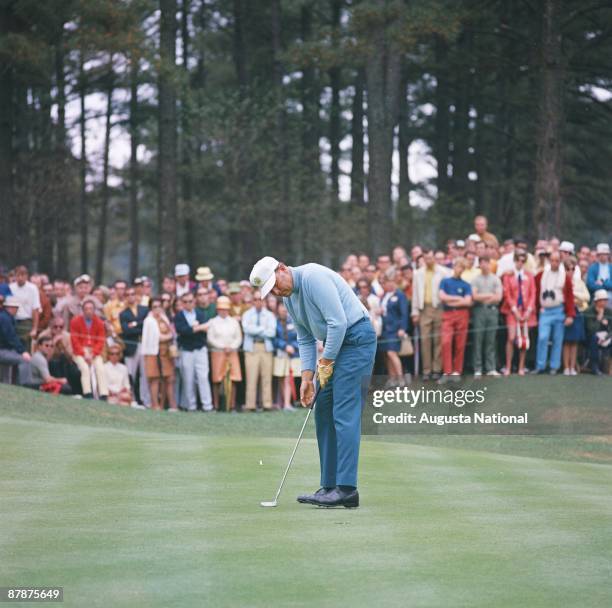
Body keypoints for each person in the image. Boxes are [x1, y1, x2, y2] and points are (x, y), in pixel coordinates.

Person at [251, 256, 376, 509]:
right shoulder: (289, 297)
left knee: (344, 411)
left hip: (356, 340)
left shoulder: (313, 277)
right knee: (323, 410)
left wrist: (326, 361)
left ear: (283, 268)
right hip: (335, 346)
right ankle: (329, 486)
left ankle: (347, 489)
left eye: (275, 284)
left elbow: (338, 322)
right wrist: (306, 378)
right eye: (271, 291)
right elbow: (305, 338)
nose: (276, 292)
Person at [534, 251, 576, 374]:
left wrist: (570, 315)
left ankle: (554, 366)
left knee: (558, 339)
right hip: (545, 310)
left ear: (560, 262)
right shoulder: (541, 275)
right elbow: (535, 290)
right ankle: (540, 365)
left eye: (557, 261)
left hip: (559, 310)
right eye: (552, 260)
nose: (554, 263)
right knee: (543, 337)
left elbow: (569, 297)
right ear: (549, 261)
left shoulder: (565, 278)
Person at [411, 249, 450, 380]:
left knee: (438, 339)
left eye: (431, 258)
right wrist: (415, 312)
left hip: (438, 307)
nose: (429, 261)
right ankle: (426, 370)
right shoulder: (418, 273)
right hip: (424, 309)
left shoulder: (443, 272)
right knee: (425, 339)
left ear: (434, 258)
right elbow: (415, 293)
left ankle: (436, 369)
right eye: (426, 258)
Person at [174, 291, 213, 412]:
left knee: (203, 377)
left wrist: (195, 328)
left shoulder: (200, 314)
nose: (188, 304)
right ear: (182, 303)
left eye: (190, 301)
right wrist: (197, 328)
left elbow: (206, 328)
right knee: (188, 378)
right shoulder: (179, 316)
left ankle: (207, 406)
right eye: (185, 302)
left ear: (194, 301)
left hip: (200, 349)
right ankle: (191, 406)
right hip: (186, 351)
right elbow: (182, 331)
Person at [500, 249, 537, 376]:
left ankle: (521, 366)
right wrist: (515, 310)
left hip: (526, 311)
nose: (520, 263)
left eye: (523, 261)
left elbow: (533, 293)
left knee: (524, 338)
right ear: (514, 261)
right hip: (512, 311)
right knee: (511, 338)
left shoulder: (529, 275)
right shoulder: (508, 276)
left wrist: (529, 310)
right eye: (518, 260)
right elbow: (507, 294)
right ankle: (508, 366)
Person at [438, 257, 473, 382]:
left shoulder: (466, 285)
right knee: (446, 342)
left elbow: (468, 301)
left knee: (460, 344)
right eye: (458, 266)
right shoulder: (445, 281)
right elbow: (442, 296)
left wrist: (451, 300)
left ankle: (456, 372)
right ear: (454, 266)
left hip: (462, 315)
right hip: (448, 315)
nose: (460, 269)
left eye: (462, 268)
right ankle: (447, 372)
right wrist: (459, 299)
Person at [241, 290, 276, 411]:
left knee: (266, 377)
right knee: (251, 377)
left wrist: (255, 329)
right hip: (252, 348)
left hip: (265, 347)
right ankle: (250, 405)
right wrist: (262, 329)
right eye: (255, 299)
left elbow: (272, 333)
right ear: (252, 301)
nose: (258, 302)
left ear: (264, 301)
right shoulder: (246, 314)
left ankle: (267, 404)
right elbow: (246, 329)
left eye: (260, 299)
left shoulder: (270, 315)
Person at [141, 297, 178, 411]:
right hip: (153, 352)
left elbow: (172, 331)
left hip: (166, 353)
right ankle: (155, 405)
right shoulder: (149, 320)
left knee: (169, 378)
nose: (157, 309)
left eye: (159, 306)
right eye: (154, 307)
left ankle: (169, 405)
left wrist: (171, 335)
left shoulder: (164, 318)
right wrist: (170, 336)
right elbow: (157, 338)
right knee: (154, 379)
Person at [207, 296, 242, 411]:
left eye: (226, 309)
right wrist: (222, 347)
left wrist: (232, 347)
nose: (224, 311)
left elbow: (238, 338)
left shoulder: (234, 322)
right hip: (218, 353)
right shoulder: (212, 322)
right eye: (221, 309)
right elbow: (210, 338)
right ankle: (216, 405)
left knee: (233, 378)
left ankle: (231, 405)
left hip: (232, 352)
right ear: (217, 309)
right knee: (217, 379)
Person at [70, 298, 109, 400]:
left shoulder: (99, 323)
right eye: (86, 309)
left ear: (94, 310)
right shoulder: (75, 321)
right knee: (84, 368)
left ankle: (103, 394)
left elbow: (101, 341)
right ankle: (87, 393)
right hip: (80, 351)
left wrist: (93, 353)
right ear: (83, 310)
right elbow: (74, 341)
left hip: (94, 352)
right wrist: (84, 353)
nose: (89, 311)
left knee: (100, 368)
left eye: (91, 309)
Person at [471, 256, 502, 377]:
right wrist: (490, 295)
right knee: (478, 339)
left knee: (491, 340)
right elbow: (474, 296)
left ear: (490, 264)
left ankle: (491, 367)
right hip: (479, 311)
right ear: (479, 265)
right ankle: (477, 368)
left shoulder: (495, 279)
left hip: (492, 311)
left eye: (486, 263)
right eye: (482, 263)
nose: (485, 265)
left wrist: (483, 296)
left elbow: (498, 297)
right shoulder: (475, 279)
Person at [379, 269, 410, 386]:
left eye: (391, 281)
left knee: (392, 353)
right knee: (387, 354)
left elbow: (404, 313)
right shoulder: (384, 296)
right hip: (385, 330)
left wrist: (403, 328)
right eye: (387, 282)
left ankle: (401, 379)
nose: (388, 284)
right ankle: (392, 379)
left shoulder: (400, 295)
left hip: (395, 329)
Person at [119, 287, 150, 405]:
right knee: (130, 374)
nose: (131, 296)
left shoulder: (144, 310)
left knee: (145, 374)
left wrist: (135, 324)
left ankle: (145, 400)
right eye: (128, 295)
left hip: (144, 345)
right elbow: (126, 331)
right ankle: (131, 398)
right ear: (125, 298)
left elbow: (146, 324)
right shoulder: (123, 314)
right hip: (131, 347)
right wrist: (139, 327)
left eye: (133, 294)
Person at [39, 316, 82, 394]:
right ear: (50, 327)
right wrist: (54, 344)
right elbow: (44, 358)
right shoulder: (43, 335)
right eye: (55, 327)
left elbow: (70, 357)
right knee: (55, 363)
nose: (58, 329)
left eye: (61, 327)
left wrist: (62, 345)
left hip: (64, 362)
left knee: (76, 371)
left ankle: (77, 393)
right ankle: (63, 389)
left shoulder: (67, 336)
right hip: (49, 362)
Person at [562, 256, 590, 375]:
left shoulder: (579, 282)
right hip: (566, 312)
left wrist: (575, 296)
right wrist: (575, 298)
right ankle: (566, 367)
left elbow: (587, 297)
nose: (571, 272)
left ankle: (572, 367)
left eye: (573, 269)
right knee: (567, 341)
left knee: (575, 341)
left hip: (577, 312)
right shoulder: (561, 281)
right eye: (568, 269)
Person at [273, 303, 300, 411]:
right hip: (280, 354)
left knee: (288, 378)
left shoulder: (293, 321)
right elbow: (274, 338)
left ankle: (287, 404)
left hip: (292, 355)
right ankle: (284, 402)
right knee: (281, 378)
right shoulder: (275, 322)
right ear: (278, 309)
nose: (283, 310)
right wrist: (284, 346)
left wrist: (292, 346)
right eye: (281, 307)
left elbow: (299, 336)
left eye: (285, 307)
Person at [0, 296, 32, 385]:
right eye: (16, 308)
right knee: (25, 360)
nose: (17, 310)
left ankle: (6, 384)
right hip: (2, 350)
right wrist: (23, 351)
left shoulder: (3, 317)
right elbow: (11, 338)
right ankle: (25, 385)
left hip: (4, 349)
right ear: (12, 308)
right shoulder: (5, 319)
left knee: (8, 361)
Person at [9, 265, 41, 352]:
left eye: (22, 275)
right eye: (18, 275)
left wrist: (34, 328)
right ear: (15, 276)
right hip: (13, 321)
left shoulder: (33, 288)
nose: (20, 278)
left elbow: (36, 309)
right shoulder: (11, 287)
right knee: (13, 348)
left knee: (26, 348)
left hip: (26, 322)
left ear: (27, 276)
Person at [584, 289, 612, 375]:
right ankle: (594, 366)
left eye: (605, 300)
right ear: (596, 301)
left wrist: (606, 337)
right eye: (601, 300)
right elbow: (591, 329)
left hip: (606, 337)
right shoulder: (588, 311)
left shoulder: (609, 311)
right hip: (591, 337)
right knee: (594, 339)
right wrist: (599, 318)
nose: (604, 302)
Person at [586, 244, 612, 308]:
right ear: (598, 255)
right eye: (602, 254)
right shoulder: (592, 268)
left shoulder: (611, 267)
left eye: (606, 254)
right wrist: (607, 285)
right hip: (596, 297)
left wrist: (602, 283)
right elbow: (591, 285)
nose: (604, 256)